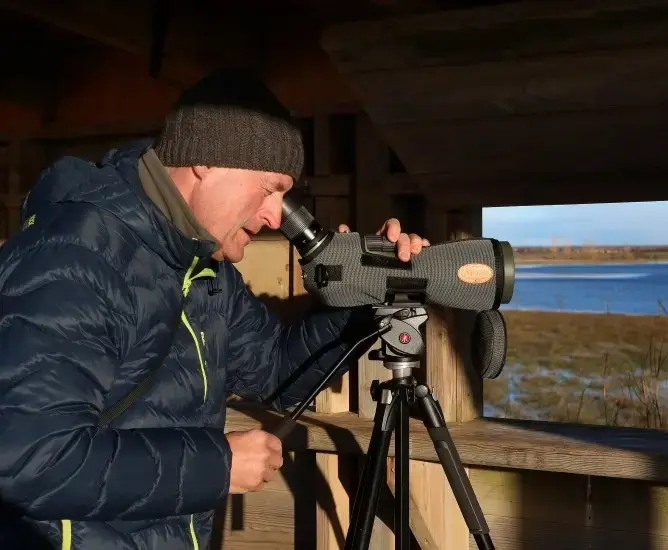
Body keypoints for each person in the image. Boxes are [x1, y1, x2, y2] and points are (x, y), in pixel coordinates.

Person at [0, 69, 428, 549]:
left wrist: (359, 297)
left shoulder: (203, 270)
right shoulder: (74, 258)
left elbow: (279, 373)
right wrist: (217, 465)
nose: (273, 217)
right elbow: (27, 457)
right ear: (206, 161)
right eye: (270, 188)